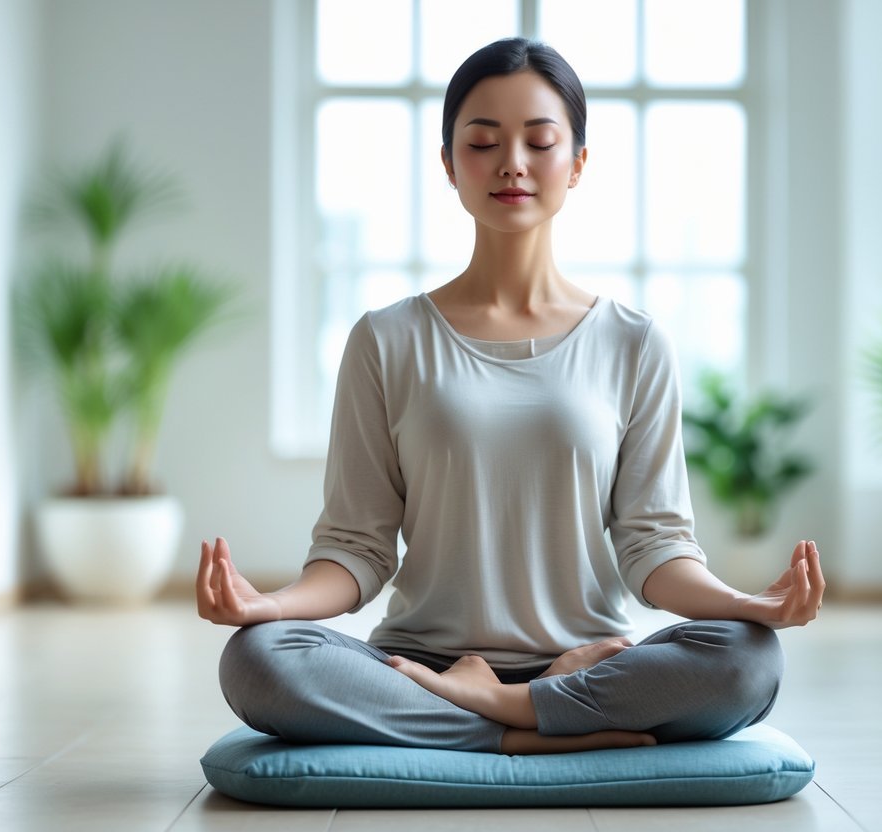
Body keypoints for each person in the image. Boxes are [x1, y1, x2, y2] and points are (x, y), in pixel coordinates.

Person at [197, 37, 825, 756]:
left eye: (540, 140)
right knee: (258, 660)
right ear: (448, 164)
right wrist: (266, 606)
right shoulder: (386, 339)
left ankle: (499, 712)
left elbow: (653, 547)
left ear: (577, 163)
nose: (512, 164)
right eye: (482, 141)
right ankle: (530, 728)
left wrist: (748, 605)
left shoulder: (633, 341)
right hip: (420, 666)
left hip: (587, 663)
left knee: (747, 660)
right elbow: (355, 547)